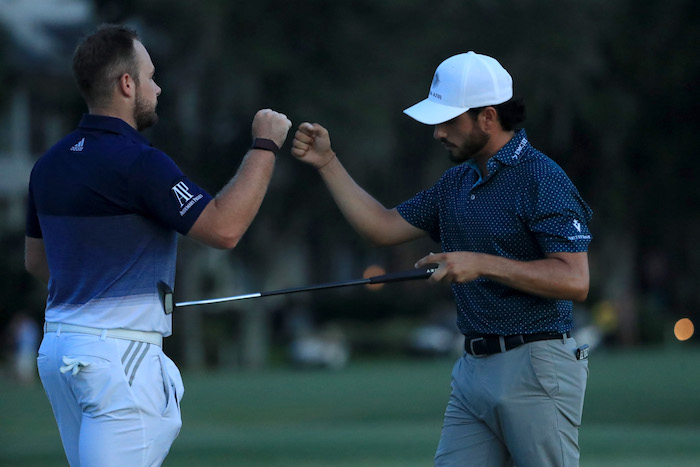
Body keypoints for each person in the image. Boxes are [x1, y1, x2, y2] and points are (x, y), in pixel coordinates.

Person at [292, 51, 592, 466]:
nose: (438, 132)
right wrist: (327, 163)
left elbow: (575, 280)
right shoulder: (459, 180)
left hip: (536, 367)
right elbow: (382, 227)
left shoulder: (542, 178)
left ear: (488, 117)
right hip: (473, 369)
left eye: (449, 120)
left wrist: (481, 263)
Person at [24, 24, 291, 466]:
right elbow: (224, 229)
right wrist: (264, 145)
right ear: (126, 85)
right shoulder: (140, 162)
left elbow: (39, 263)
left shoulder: (49, 164)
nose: (158, 86)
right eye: (150, 76)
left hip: (61, 353)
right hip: (116, 361)